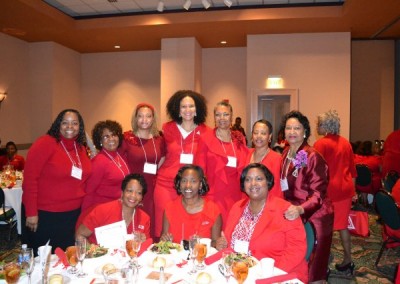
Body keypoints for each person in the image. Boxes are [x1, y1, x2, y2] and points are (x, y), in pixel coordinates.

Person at [216, 163, 308, 283]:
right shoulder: (237, 207)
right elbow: (228, 241)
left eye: (259, 179)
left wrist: (269, 272)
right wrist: (222, 244)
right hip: (240, 273)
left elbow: (296, 249)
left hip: (276, 274)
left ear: (268, 182)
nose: (253, 183)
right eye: (248, 180)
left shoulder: (286, 210)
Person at [22, 109, 92, 254]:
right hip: (46, 215)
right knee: (42, 257)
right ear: (58, 125)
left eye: (74, 123)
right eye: (65, 123)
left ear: (80, 126)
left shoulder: (80, 148)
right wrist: (31, 212)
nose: (70, 127)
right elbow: (29, 180)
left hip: (72, 215)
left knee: (65, 256)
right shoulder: (45, 143)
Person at [279, 110, 333, 283]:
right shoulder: (287, 153)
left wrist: (301, 209)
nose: (292, 132)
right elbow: (291, 180)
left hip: (314, 216)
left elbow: (318, 194)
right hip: (294, 213)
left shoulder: (312, 156)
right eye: (288, 128)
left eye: (297, 128)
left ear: (305, 132)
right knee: (295, 259)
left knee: (314, 267)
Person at [153, 90, 210, 239]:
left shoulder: (206, 132)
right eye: (183, 106)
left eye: (191, 106)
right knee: (163, 227)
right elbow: (159, 154)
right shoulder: (167, 129)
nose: (187, 110)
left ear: (197, 109)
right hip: (165, 185)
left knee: (184, 225)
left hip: (190, 187)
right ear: (177, 110)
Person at [314, 110, 357, 275]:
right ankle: (348, 260)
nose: (318, 126)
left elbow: (316, 170)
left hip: (329, 192)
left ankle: (323, 265)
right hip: (345, 190)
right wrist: (353, 192)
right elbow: (353, 171)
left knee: (325, 230)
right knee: (343, 226)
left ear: (325, 125)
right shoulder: (346, 143)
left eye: (319, 123)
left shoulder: (321, 144)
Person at [195, 101, 248, 226]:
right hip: (214, 194)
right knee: (215, 229)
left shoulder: (239, 139)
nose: (222, 118)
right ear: (214, 118)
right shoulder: (206, 138)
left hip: (236, 193)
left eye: (226, 114)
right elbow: (200, 169)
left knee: (233, 226)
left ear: (231, 117)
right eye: (218, 115)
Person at [120, 103, 165, 238]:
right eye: (140, 116)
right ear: (135, 118)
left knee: (148, 220)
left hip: (151, 188)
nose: (144, 120)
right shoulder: (127, 139)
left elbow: (163, 157)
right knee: (132, 220)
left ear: (153, 119)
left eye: (148, 116)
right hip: (132, 189)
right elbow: (119, 160)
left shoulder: (159, 140)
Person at [76, 173, 150, 244]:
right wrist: (92, 253)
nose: (133, 196)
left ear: (142, 198)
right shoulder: (102, 211)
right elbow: (80, 235)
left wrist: (143, 241)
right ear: (122, 193)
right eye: (129, 191)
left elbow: (146, 248)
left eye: (139, 193)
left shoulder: (145, 218)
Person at [160, 165, 222, 245]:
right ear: (179, 184)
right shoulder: (170, 208)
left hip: (201, 256)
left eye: (193, 181)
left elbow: (215, 243)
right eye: (184, 181)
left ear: (200, 185)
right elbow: (162, 240)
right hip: (175, 256)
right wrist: (164, 240)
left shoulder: (213, 210)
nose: (188, 185)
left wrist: (218, 244)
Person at [81, 120, 129, 211]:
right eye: (106, 136)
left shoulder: (120, 156)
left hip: (118, 207)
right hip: (103, 210)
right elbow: (89, 192)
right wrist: (85, 215)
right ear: (100, 141)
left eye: (114, 135)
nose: (111, 139)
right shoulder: (98, 162)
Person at [246, 119, 282, 198]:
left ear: (269, 136)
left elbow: (276, 190)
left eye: (263, 133)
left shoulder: (276, 158)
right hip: (246, 203)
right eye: (256, 133)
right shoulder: (246, 154)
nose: (259, 136)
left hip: (267, 205)